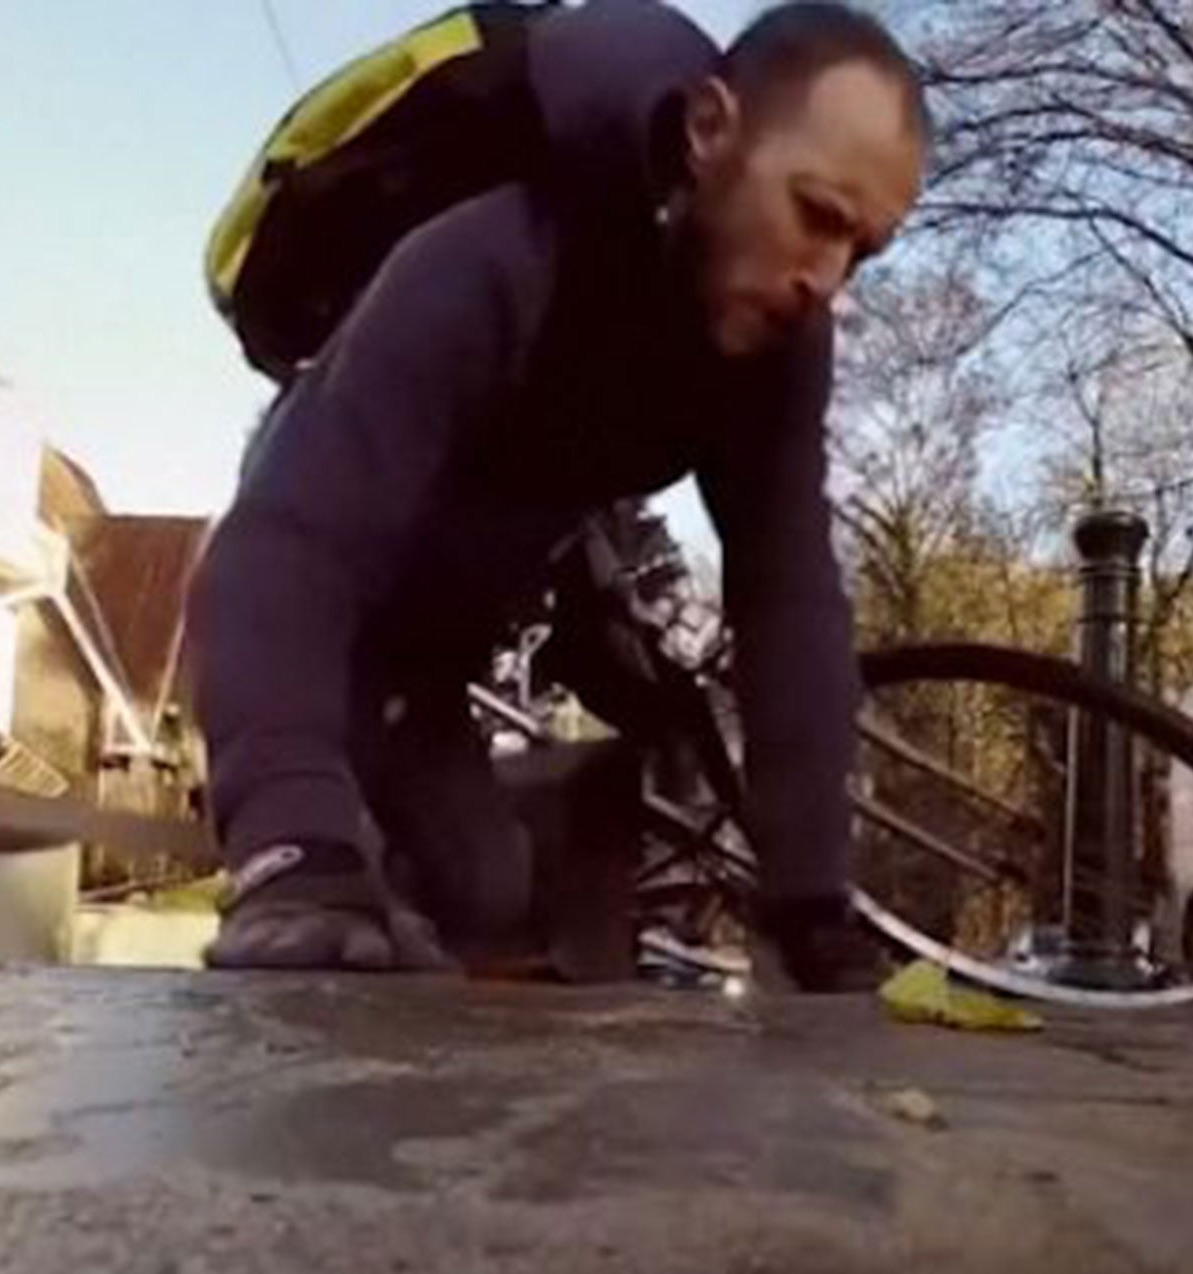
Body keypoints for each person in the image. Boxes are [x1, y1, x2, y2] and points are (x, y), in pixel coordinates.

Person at [188, 0, 930, 989]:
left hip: (429, 659)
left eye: (861, 252)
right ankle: (318, 853)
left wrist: (809, 901)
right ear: (708, 131)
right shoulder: (495, 256)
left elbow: (788, 599)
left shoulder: (778, 352)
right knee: (331, 916)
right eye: (816, 215)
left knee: (487, 892)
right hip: (320, 585)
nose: (825, 280)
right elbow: (285, 549)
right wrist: (290, 846)